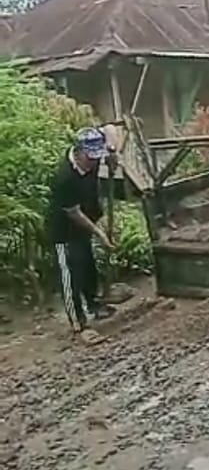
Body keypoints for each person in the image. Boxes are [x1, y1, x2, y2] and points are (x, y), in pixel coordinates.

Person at [47, 126, 114, 344]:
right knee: (71, 276)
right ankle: (79, 324)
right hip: (64, 233)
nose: (93, 162)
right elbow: (73, 213)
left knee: (87, 268)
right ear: (78, 152)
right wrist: (99, 233)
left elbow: (110, 133)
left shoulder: (92, 163)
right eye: (90, 158)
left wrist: (112, 159)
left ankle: (94, 305)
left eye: (97, 157)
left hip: (85, 225)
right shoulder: (64, 176)